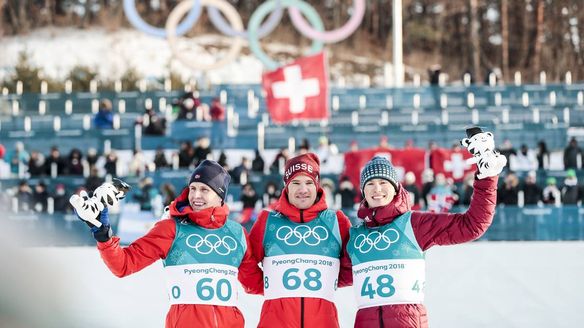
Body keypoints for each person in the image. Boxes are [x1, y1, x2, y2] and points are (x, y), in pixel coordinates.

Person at [70, 160, 263, 328]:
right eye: (193, 188)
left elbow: (256, 283)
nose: (196, 195)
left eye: (205, 189)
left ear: (220, 196)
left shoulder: (237, 234)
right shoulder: (171, 229)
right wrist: (103, 235)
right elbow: (124, 264)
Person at [344, 127, 505, 328]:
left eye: (383, 182)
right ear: (363, 191)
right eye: (370, 184)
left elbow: (472, 225)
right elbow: (326, 273)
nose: (377, 189)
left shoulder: (414, 224)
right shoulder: (356, 236)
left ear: (395, 189)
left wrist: (488, 178)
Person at [247, 153, 353, 328]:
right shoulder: (267, 221)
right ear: (286, 187)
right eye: (295, 183)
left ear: (317, 185)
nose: (302, 189)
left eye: (309, 183)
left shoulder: (337, 222)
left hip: (323, 322)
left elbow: (351, 268)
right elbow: (247, 264)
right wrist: (269, 285)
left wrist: (328, 280)